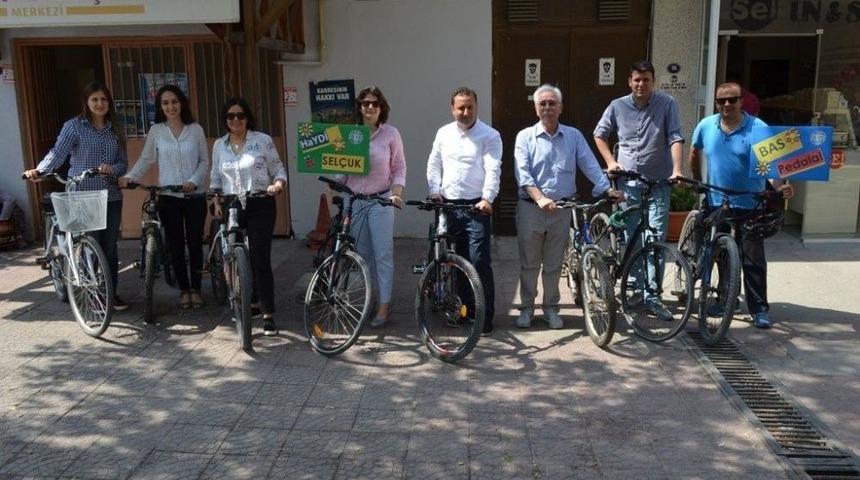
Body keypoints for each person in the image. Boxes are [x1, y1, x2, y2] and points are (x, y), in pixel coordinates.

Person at [514, 84, 620, 329]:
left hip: (561, 210)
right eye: (543, 103)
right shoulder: (525, 137)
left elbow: (590, 164)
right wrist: (539, 197)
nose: (548, 108)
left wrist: (606, 188)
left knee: (553, 264)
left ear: (560, 108)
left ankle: (551, 308)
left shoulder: (573, 136)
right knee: (529, 263)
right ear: (536, 108)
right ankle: (527, 308)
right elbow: (523, 173)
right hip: (531, 208)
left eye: (552, 103)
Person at [689, 82, 793, 329]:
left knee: (753, 258)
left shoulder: (758, 128)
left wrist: (779, 187)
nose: (726, 104)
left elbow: (770, 165)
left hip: (751, 201)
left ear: (741, 101)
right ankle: (727, 300)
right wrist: (698, 182)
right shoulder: (706, 125)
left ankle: (759, 309)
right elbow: (694, 152)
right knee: (722, 254)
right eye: (721, 101)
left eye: (732, 99)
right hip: (718, 201)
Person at [24, 81, 129, 311]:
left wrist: (113, 169)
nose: (100, 104)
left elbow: (123, 163)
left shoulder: (116, 128)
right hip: (82, 194)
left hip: (110, 195)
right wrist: (39, 170)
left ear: (108, 102)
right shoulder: (74, 126)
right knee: (91, 244)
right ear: (86, 103)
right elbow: (57, 153)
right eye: (95, 100)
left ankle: (111, 293)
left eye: (103, 99)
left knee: (109, 248)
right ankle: (93, 293)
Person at [593, 60, 684, 320]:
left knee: (654, 237)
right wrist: (611, 162)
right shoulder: (617, 106)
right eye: (637, 80)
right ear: (629, 81)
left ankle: (653, 296)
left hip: (659, 183)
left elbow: (675, 137)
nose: (641, 84)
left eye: (646, 79)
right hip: (628, 183)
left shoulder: (667, 104)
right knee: (632, 236)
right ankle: (636, 286)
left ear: (653, 81)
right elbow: (600, 134)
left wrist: (677, 169)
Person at [119, 85, 209, 310]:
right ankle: (184, 290)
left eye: (175, 101)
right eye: (166, 103)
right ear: (160, 107)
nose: (171, 107)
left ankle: (197, 288)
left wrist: (194, 180)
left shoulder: (195, 129)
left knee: (196, 243)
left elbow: (204, 162)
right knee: (175, 244)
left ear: (182, 103)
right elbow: (147, 158)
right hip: (168, 196)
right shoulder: (157, 131)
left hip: (194, 196)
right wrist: (130, 176)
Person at [427, 87, 501, 336]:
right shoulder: (443, 133)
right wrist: (434, 190)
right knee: (455, 261)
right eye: (461, 107)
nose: (465, 112)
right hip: (448, 205)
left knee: (479, 260)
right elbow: (434, 163)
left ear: (476, 107)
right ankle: (463, 311)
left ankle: (485, 316)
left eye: (470, 107)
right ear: (452, 108)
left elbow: (493, 169)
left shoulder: (489, 135)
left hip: (476, 206)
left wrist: (488, 198)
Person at [210, 97, 287, 336]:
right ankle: (244, 298)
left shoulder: (261, 140)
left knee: (259, 257)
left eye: (240, 116)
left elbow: (279, 169)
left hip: (260, 201)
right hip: (232, 202)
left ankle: (267, 313)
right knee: (234, 252)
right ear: (225, 120)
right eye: (230, 116)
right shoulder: (219, 146)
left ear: (247, 118)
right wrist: (215, 200)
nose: (236, 120)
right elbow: (215, 177)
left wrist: (278, 185)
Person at [333, 86, 406, 328]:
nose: (370, 107)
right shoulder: (348, 135)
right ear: (360, 107)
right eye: (365, 103)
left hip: (381, 201)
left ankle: (384, 304)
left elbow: (398, 168)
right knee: (362, 256)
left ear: (381, 108)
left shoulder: (391, 134)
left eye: (375, 103)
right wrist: (330, 171)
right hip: (355, 202)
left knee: (383, 254)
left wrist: (396, 193)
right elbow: (340, 171)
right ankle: (368, 299)